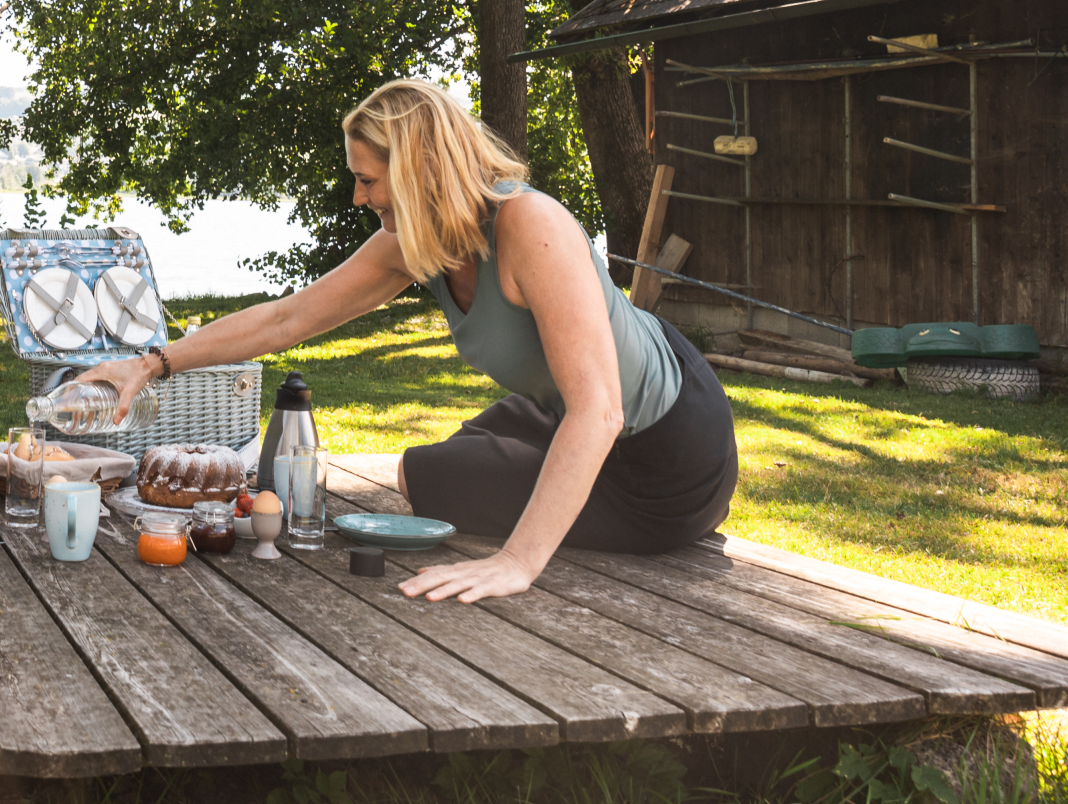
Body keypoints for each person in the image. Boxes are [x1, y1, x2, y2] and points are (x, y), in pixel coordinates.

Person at [82, 79, 736, 605]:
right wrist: (151, 363)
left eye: (368, 178)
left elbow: (601, 409)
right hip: (568, 411)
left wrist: (515, 561)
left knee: (431, 479)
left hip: (667, 456)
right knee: (429, 471)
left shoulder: (529, 224)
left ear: (421, 168)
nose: (359, 194)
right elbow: (286, 319)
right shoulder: (416, 246)